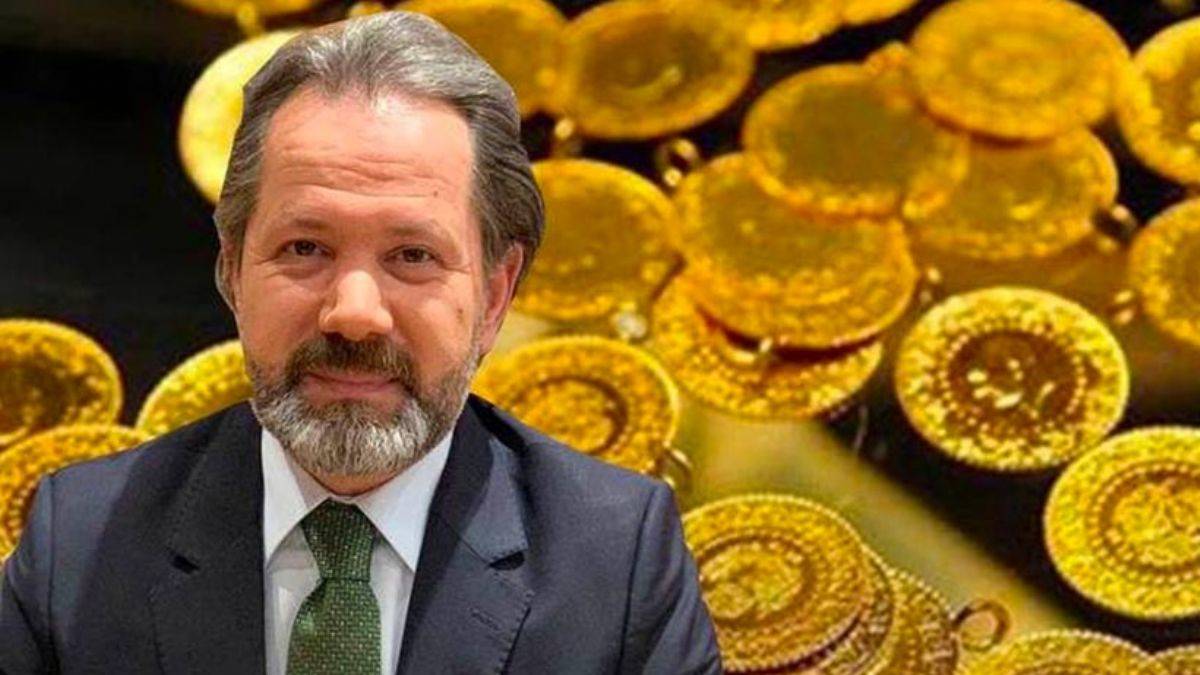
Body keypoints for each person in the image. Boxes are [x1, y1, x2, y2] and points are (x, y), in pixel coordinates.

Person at [0, 12, 720, 674]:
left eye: (413, 256)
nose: (354, 313)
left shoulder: (618, 561)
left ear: (496, 294)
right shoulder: (81, 542)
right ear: (232, 271)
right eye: (305, 248)